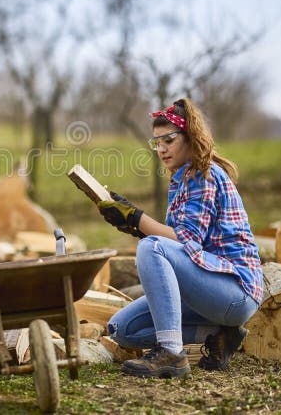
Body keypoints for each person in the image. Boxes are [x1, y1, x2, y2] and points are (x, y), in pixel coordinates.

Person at [97, 98, 263, 378]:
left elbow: (184, 243)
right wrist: (132, 223)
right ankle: (221, 335)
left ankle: (172, 353)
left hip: (235, 290)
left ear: (190, 137)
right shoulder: (183, 179)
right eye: (156, 142)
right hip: (208, 287)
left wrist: (136, 219)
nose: (161, 149)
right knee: (122, 330)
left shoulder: (204, 175)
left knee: (152, 247)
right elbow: (179, 244)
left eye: (169, 140)